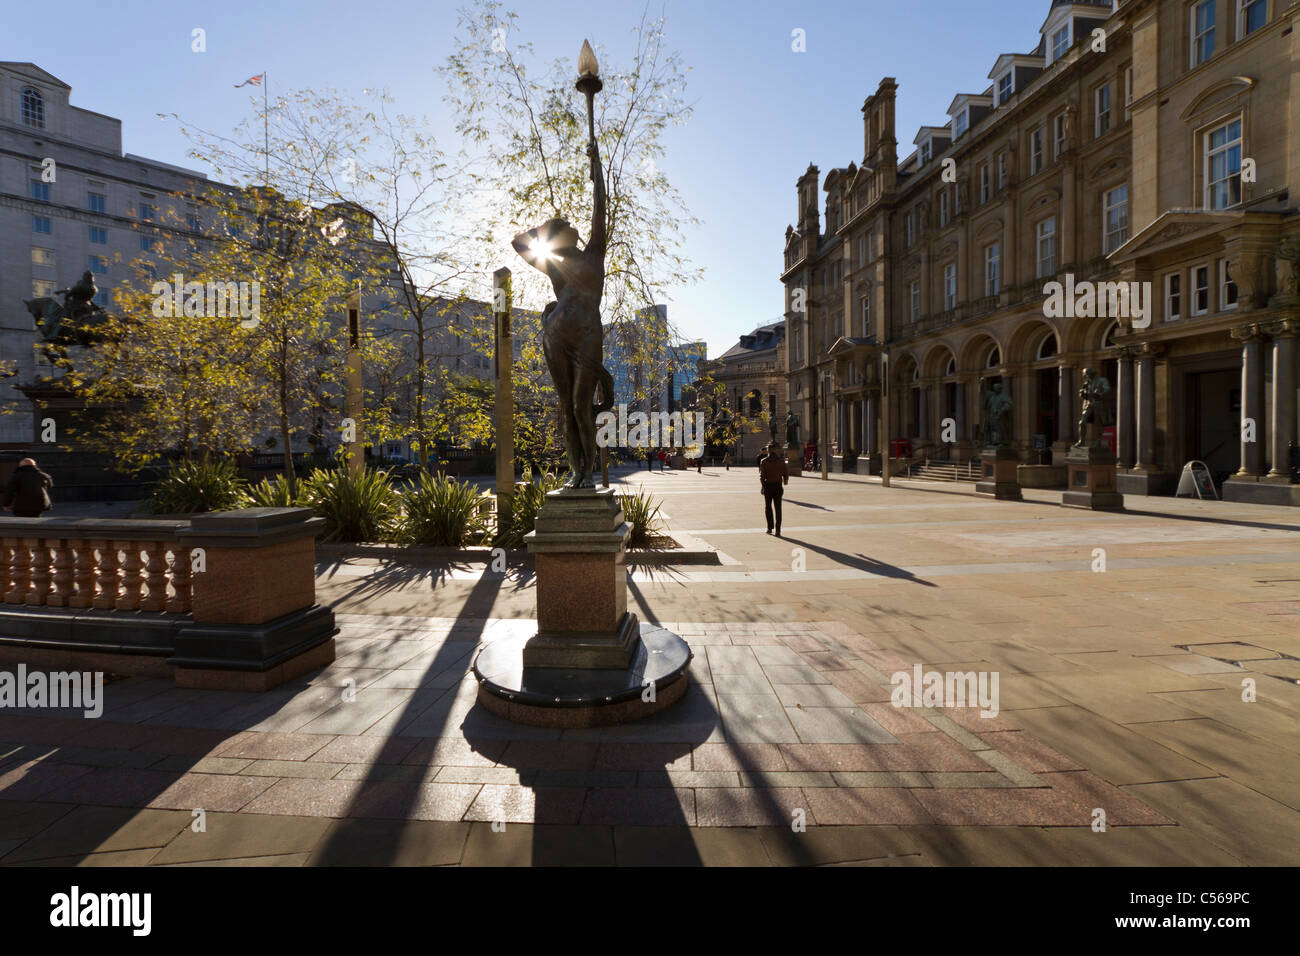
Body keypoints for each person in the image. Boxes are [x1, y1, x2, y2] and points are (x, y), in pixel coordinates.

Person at [758, 443, 789, 537]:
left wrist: (763, 486)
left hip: (768, 486)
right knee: (778, 508)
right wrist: (785, 480)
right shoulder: (781, 461)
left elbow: (761, 476)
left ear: (768, 450)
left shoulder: (764, 461)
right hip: (778, 486)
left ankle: (769, 527)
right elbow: (785, 473)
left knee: (768, 507)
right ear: (775, 450)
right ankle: (778, 530)